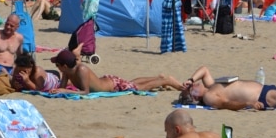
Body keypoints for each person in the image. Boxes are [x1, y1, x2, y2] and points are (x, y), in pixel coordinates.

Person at [49, 49, 185, 94]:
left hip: (112, 85)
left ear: (65, 66)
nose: (57, 67)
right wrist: (58, 90)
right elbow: (62, 88)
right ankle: (158, 77)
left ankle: (165, 80)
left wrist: (65, 90)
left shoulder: (81, 69)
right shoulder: (66, 71)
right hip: (107, 81)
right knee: (131, 83)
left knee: (137, 88)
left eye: (58, 65)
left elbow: (85, 92)